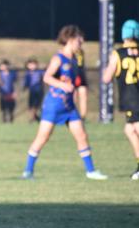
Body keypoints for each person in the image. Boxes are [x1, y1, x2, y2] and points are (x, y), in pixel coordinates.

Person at [22, 25, 107, 180]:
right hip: (54, 105)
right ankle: (28, 171)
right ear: (70, 39)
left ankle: (91, 171)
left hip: (68, 106)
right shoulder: (58, 58)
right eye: (79, 40)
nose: (81, 43)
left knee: (81, 135)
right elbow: (47, 77)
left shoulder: (74, 59)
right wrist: (62, 85)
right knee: (43, 137)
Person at [102, 19, 139, 180]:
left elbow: (106, 77)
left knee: (135, 128)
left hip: (132, 98)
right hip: (134, 97)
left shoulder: (118, 53)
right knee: (129, 130)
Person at [24, 58, 43, 122]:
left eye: (33, 64)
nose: (32, 66)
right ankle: (35, 117)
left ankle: (34, 118)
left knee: (37, 105)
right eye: (30, 65)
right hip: (32, 91)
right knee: (31, 106)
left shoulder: (40, 72)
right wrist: (24, 87)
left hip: (38, 91)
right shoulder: (27, 73)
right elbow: (26, 82)